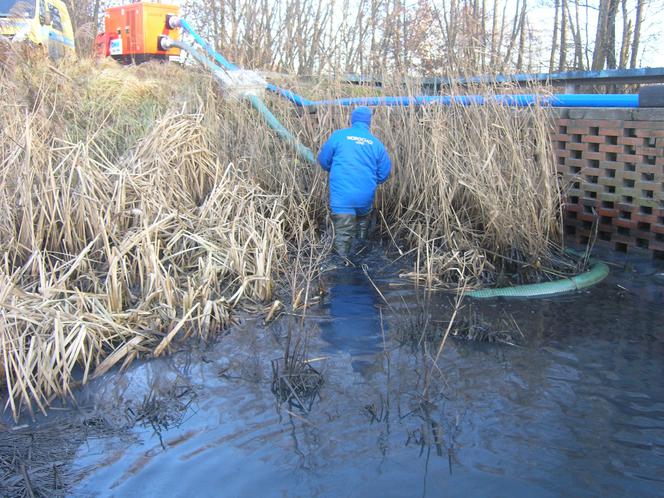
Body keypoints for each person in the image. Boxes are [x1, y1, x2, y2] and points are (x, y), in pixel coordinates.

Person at [317, 106, 392, 258]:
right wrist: (368, 181)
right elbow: (384, 173)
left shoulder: (339, 136)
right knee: (361, 231)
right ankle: (360, 258)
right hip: (365, 196)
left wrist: (337, 170)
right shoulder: (376, 143)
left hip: (342, 196)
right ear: (368, 123)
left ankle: (342, 267)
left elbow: (323, 161)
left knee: (343, 235)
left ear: (352, 120)